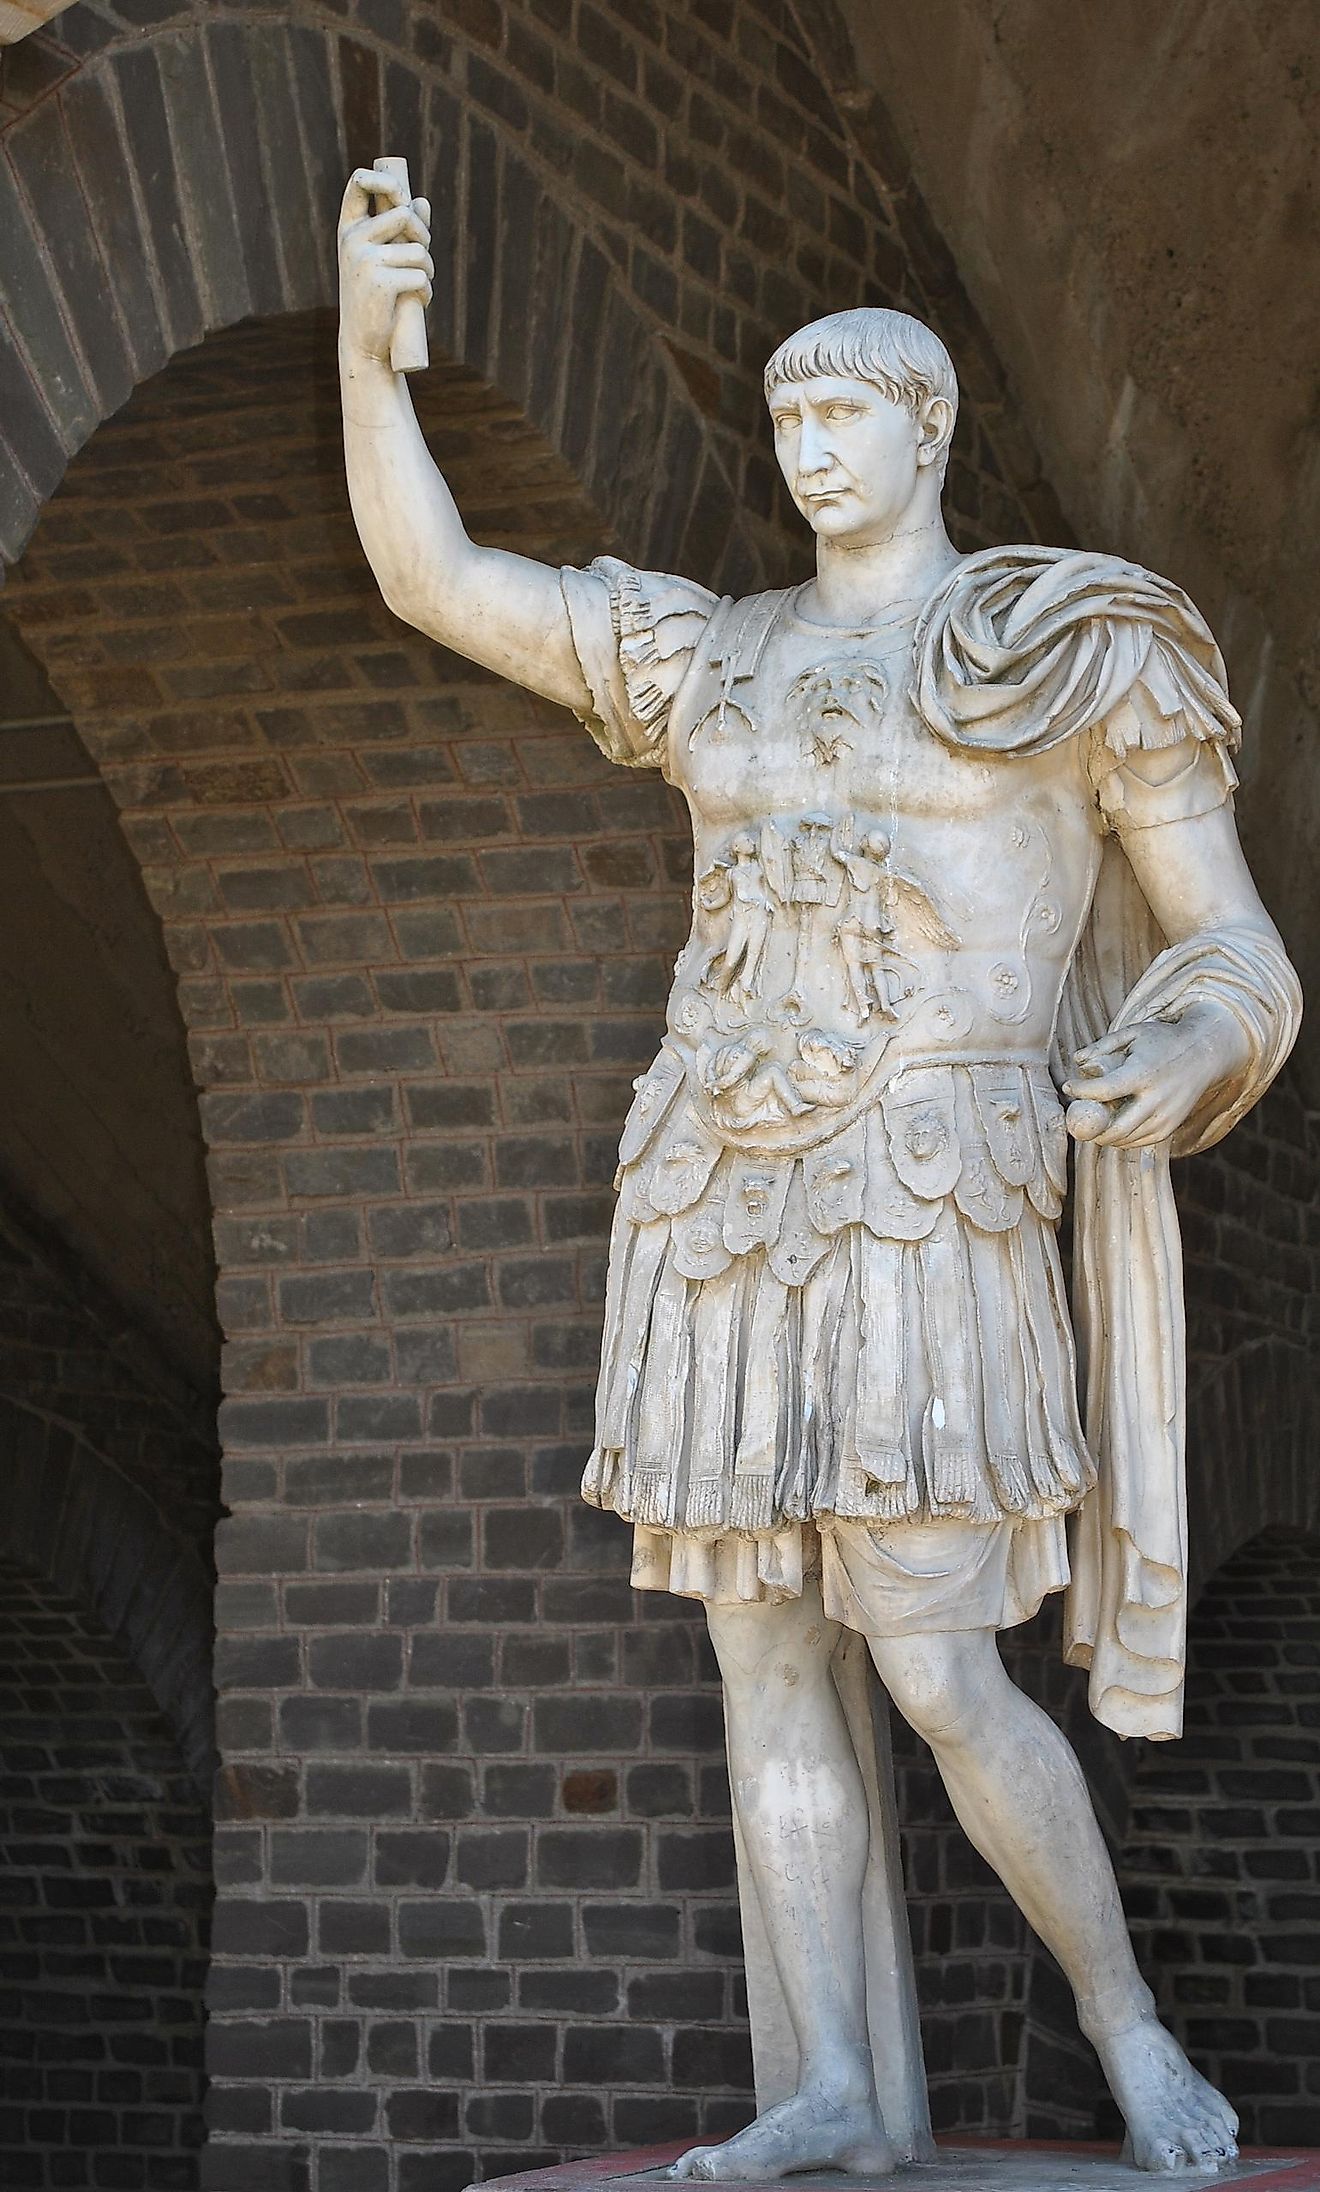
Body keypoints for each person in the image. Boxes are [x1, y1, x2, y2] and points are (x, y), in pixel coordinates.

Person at [338, 166, 1300, 2178]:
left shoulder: (1066, 649)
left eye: (840, 415)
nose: (806, 449)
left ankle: (1125, 2029)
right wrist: (371, 346)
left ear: (925, 427)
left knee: (944, 1664)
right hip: (724, 1197)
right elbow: (436, 577)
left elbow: (1234, 950)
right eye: (785, 424)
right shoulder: (718, 655)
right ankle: (838, 2091)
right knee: (761, 1657)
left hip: (934, 1186)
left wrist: (1182, 1040)